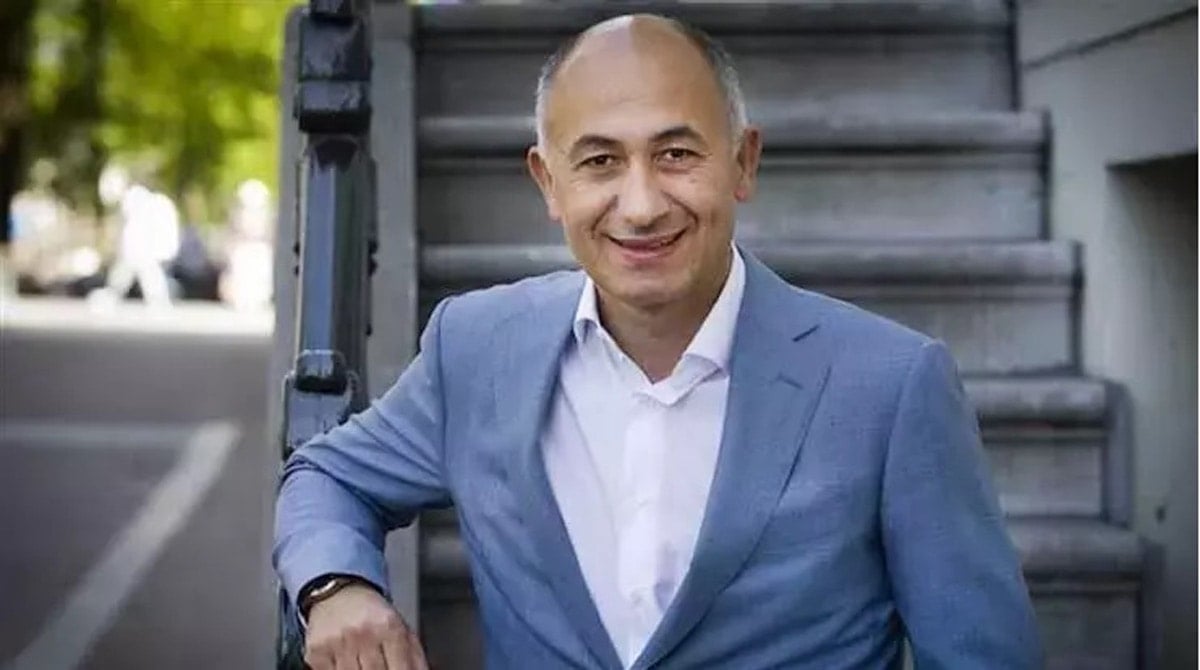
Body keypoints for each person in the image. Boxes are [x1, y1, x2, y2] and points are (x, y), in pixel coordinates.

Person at [274, 14, 1042, 670]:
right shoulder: (476, 348)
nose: (640, 205)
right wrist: (335, 586)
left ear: (743, 162)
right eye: (599, 161)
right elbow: (327, 476)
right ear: (548, 183)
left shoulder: (891, 385)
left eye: (676, 154)